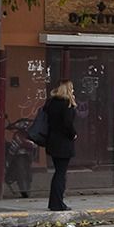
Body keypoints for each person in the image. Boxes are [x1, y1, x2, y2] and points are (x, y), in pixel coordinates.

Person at [43, 80, 77, 211]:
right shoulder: (66, 104)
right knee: (61, 173)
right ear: (67, 89)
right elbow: (67, 124)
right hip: (63, 143)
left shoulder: (51, 103)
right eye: (72, 88)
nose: (73, 91)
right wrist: (73, 134)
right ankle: (58, 203)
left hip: (52, 141)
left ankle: (54, 202)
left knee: (58, 171)